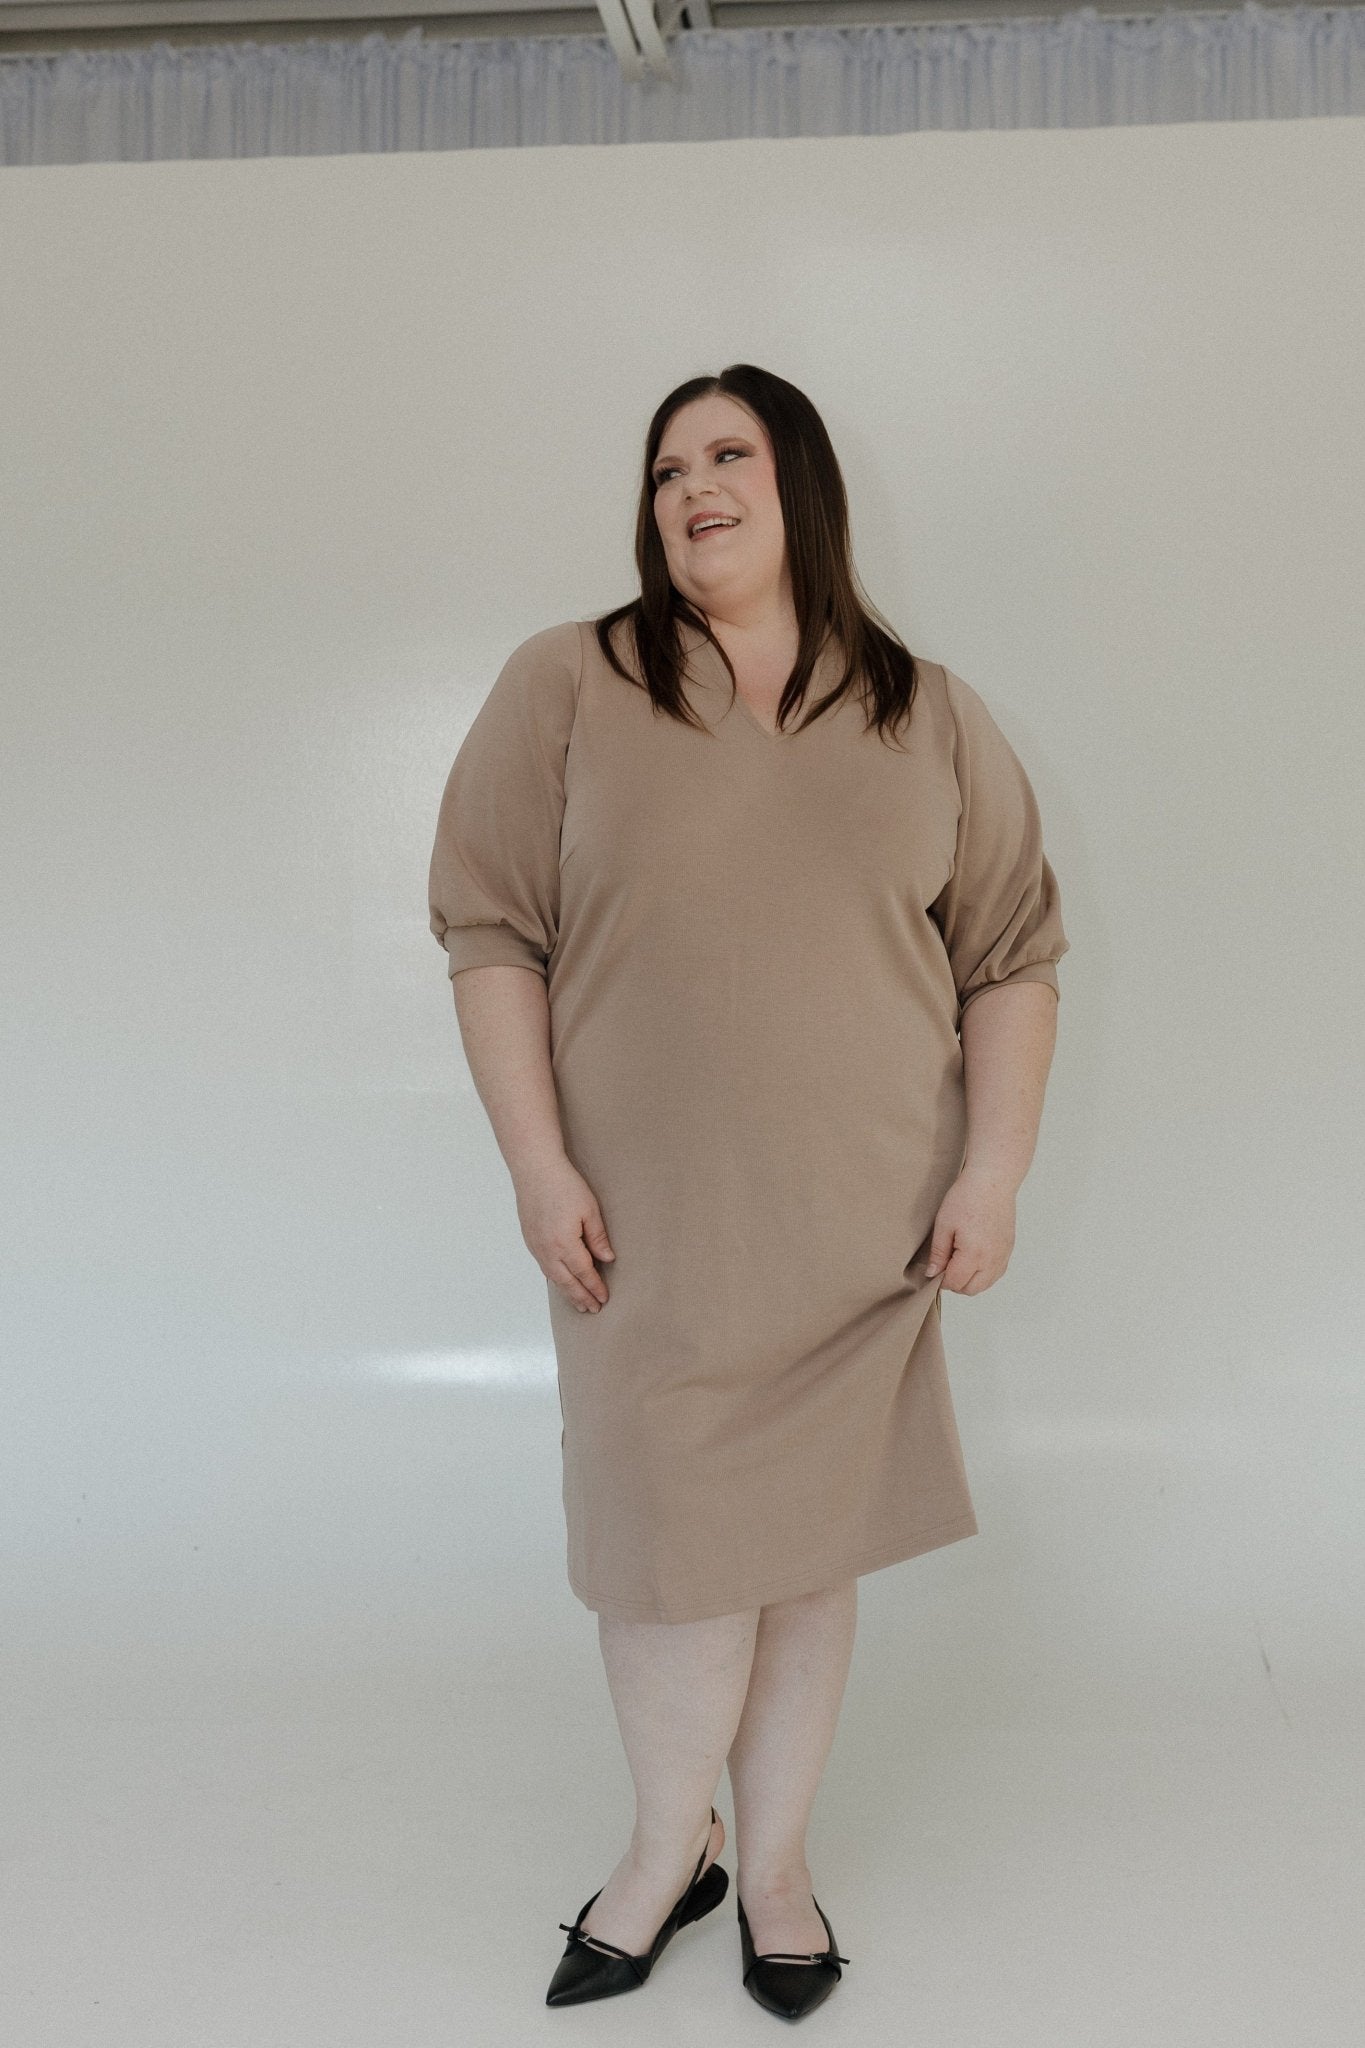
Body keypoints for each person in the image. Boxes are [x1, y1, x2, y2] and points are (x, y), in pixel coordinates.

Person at [427, 363, 1069, 2019]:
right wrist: (537, 1163)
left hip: (863, 1228)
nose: (691, 489)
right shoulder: (569, 682)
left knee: (801, 1557)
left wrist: (991, 1172)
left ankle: (771, 1865)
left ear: (803, 486)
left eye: (727, 455)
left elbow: (1009, 957)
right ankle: (667, 1850)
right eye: (664, 470)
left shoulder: (925, 710)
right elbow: (491, 930)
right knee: (668, 1562)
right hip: (640, 1233)